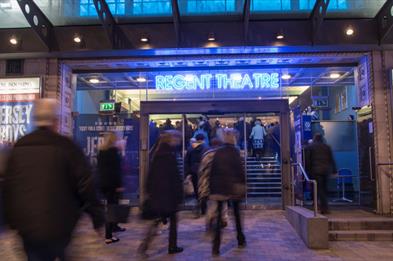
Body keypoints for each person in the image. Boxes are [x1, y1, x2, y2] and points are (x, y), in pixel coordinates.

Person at [2, 98, 104, 261]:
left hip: (27, 227)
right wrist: (97, 216)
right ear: (55, 121)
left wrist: (12, 220)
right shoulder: (66, 147)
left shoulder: (19, 147)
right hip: (60, 225)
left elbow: (9, 187)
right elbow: (86, 184)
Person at [139, 130, 184, 256]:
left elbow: (150, 176)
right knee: (173, 222)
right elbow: (175, 178)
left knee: (156, 221)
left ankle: (144, 246)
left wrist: (148, 191)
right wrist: (179, 195)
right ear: (171, 140)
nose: (178, 141)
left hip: (158, 195)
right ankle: (172, 246)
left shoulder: (157, 154)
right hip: (169, 196)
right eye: (176, 138)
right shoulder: (170, 155)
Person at [210, 128, 246, 256]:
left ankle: (216, 247)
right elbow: (240, 171)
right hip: (233, 188)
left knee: (219, 217)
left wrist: (212, 188)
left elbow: (213, 171)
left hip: (220, 188)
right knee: (236, 215)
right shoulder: (235, 152)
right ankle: (240, 239)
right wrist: (243, 184)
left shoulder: (218, 152)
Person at [97, 132, 125, 244]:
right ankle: (108, 236)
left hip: (104, 184)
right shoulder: (113, 152)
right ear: (113, 141)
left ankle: (114, 226)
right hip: (112, 185)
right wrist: (119, 185)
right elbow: (116, 171)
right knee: (111, 209)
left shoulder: (101, 152)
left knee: (112, 207)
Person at [198, 138, 229, 231]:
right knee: (223, 204)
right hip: (221, 184)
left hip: (209, 184)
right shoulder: (223, 155)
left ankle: (211, 220)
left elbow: (201, 171)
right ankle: (223, 219)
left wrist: (201, 185)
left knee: (211, 204)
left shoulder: (207, 155)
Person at [304, 133, 337, 214]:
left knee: (319, 189)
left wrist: (307, 171)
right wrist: (334, 170)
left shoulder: (310, 147)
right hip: (326, 171)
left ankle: (322, 208)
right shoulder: (327, 147)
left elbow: (307, 160)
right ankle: (322, 206)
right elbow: (331, 159)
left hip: (315, 171)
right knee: (324, 189)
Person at [184, 133, 208, 215]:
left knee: (197, 190)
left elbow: (186, 162)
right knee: (203, 190)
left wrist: (187, 173)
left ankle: (198, 204)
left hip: (193, 171)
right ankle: (203, 208)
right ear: (203, 139)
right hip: (203, 172)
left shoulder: (190, 148)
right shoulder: (205, 148)